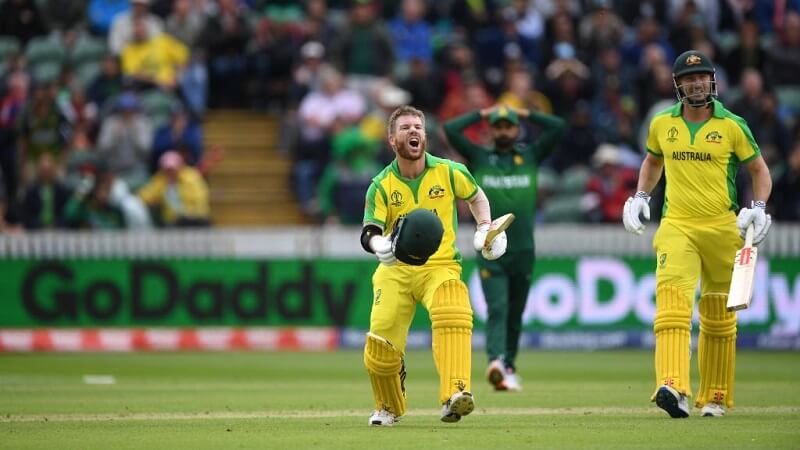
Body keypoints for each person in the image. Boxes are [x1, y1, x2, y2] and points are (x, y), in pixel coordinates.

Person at [622, 50, 773, 418]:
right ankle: (673, 386)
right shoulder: (661, 124)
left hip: (724, 227)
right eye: (689, 79)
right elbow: (653, 162)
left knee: (720, 317)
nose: (696, 83)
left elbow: (760, 170)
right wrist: (642, 194)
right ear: (678, 85)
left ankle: (715, 396)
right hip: (677, 225)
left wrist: (758, 207)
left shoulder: (732, 125)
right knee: (672, 305)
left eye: (702, 77)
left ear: (712, 81)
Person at [360, 105, 508, 426]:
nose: (413, 131)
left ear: (425, 136)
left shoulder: (449, 170)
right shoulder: (381, 184)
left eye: (418, 127)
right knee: (381, 344)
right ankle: (388, 406)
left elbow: (477, 196)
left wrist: (484, 226)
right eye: (405, 128)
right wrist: (379, 244)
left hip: (440, 265)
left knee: (453, 308)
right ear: (391, 139)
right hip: (394, 269)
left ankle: (455, 394)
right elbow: (369, 230)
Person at [443, 104, 566, 391]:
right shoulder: (480, 157)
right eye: (497, 127)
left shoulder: (530, 155)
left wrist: (524, 112)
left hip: (524, 249)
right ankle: (496, 361)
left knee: (516, 311)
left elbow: (558, 127)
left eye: (508, 126)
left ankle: (508, 366)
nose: (502, 131)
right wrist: (483, 113)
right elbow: (450, 130)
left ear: (516, 129)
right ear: (491, 130)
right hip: (490, 247)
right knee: (498, 308)